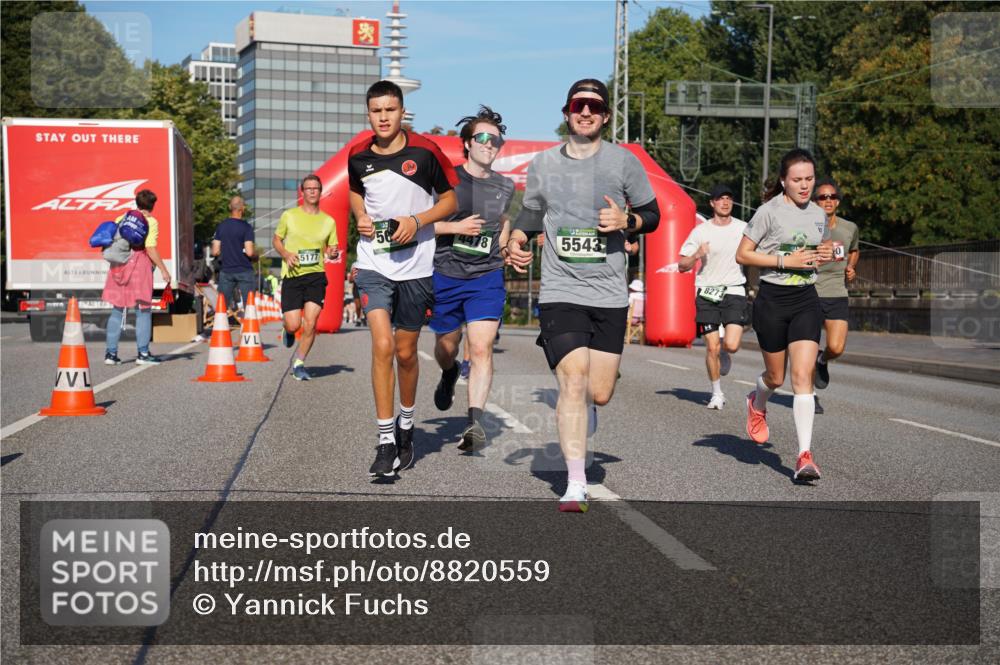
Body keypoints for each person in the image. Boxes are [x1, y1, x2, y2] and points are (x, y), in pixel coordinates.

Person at [507, 78, 660, 511]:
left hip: (609, 292)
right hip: (561, 289)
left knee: (600, 390)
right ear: (567, 112)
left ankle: (588, 403)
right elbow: (533, 210)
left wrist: (627, 221)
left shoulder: (623, 163)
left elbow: (654, 214)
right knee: (572, 380)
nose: (586, 112)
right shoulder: (543, 164)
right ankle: (576, 484)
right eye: (579, 105)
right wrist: (519, 235)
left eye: (594, 106)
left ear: (606, 115)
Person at [348, 80, 458, 477]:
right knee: (382, 344)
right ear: (368, 114)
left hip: (416, 266)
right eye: (376, 111)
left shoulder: (426, 152)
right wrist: (359, 215)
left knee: (406, 352)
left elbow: (451, 201)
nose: (383, 117)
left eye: (390, 110)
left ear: (402, 112)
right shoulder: (358, 156)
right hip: (374, 262)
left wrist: (416, 221)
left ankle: (406, 426)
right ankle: (384, 440)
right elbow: (355, 192)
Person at [735, 148, 833, 482]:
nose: (804, 185)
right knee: (776, 378)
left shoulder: (819, 214)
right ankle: (757, 401)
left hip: (806, 299)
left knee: (802, 378)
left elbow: (815, 250)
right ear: (783, 181)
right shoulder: (768, 212)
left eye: (809, 179)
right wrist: (783, 261)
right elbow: (743, 253)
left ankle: (805, 456)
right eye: (797, 180)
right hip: (772, 300)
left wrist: (820, 256)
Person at [430, 106, 515, 451]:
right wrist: (455, 227)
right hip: (446, 273)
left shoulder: (505, 185)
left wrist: (507, 246)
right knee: (447, 347)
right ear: (467, 143)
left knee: (481, 348)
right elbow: (419, 224)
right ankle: (449, 372)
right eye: (482, 137)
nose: (489, 144)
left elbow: (504, 219)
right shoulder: (446, 180)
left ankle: (474, 423)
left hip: (487, 275)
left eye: (495, 139)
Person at [678, 184, 749, 410]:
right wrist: (697, 254)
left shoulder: (744, 228)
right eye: (720, 199)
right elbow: (681, 265)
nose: (725, 202)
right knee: (711, 347)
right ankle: (717, 393)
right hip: (707, 291)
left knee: (732, 343)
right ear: (712, 203)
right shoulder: (701, 231)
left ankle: (726, 354)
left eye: (729, 198)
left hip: (734, 289)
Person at [272, 174, 339, 381]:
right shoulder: (289, 215)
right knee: (294, 325)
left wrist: (333, 252)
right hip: (292, 276)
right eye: (308, 188)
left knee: (310, 323)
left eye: (316, 188)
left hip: (316, 276)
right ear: (302, 192)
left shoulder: (328, 221)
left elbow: (332, 247)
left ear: (320, 192)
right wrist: (286, 254)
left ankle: (299, 363)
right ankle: (288, 330)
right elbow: (276, 240)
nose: (312, 191)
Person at [102, 189, 171, 365]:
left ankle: (110, 354)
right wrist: (164, 269)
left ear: (137, 203)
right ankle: (143, 353)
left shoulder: (122, 218)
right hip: (139, 266)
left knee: (117, 310)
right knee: (143, 311)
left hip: (119, 266)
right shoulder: (151, 221)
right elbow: (150, 248)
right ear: (152, 205)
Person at [812, 178, 859, 414]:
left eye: (832, 197)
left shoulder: (849, 227)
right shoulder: (807, 226)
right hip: (809, 293)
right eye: (822, 197)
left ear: (838, 201)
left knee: (837, 347)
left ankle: (822, 360)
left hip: (837, 293)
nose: (827, 201)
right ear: (815, 201)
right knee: (806, 348)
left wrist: (851, 267)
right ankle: (809, 396)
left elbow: (854, 250)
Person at [212, 195, 256, 315]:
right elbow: (250, 252)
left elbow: (215, 251)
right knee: (249, 306)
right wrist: (255, 256)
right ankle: (248, 331)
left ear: (229, 207)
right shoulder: (247, 227)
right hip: (244, 270)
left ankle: (220, 329)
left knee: (222, 305)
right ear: (243, 208)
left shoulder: (221, 226)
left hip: (226, 271)